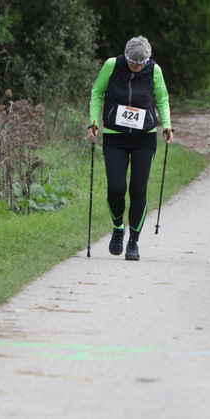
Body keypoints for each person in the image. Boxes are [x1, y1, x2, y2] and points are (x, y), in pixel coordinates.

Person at [87, 35, 173, 262]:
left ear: (148, 59)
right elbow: (97, 93)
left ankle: (133, 241)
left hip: (144, 137)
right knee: (116, 187)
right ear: (126, 57)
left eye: (141, 63)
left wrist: (167, 126)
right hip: (116, 135)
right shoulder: (112, 65)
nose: (137, 67)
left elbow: (162, 99)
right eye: (133, 62)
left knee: (138, 189)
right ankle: (118, 228)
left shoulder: (154, 71)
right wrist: (94, 123)